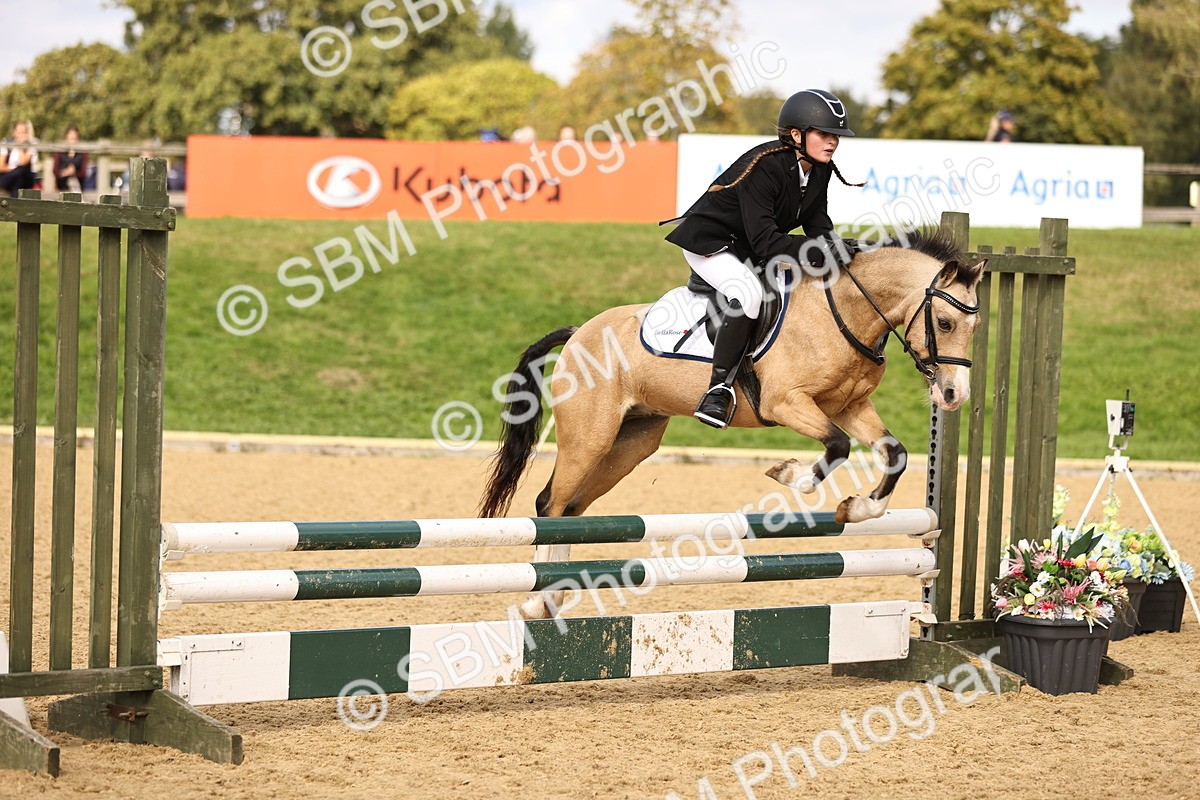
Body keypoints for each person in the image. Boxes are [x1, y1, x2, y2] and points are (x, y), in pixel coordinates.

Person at [663, 89, 863, 429]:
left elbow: (818, 226)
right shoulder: (766, 166)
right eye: (824, 134)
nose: (832, 142)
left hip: (749, 247)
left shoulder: (820, 169)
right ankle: (718, 389)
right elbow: (767, 242)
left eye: (836, 136)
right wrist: (823, 250)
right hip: (711, 242)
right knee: (749, 294)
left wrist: (846, 248)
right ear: (796, 135)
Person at [0, 120, 39, 198]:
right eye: (19, 132)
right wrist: (14, 170)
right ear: (14, 132)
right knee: (17, 178)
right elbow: (1, 166)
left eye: (24, 132)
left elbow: (24, 162)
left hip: (26, 177)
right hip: (11, 177)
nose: (21, 135)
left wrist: (20, 147)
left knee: (21, 170)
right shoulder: (7, 142)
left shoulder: (32, 143)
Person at [52, 125, 87, 192]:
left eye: (74, 138)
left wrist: (74, 172)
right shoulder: (59, 151)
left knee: (73, 182)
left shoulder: (83, 152)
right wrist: (65, 172)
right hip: (62, 185)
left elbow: (83, 172)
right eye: (71, 138)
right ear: (66, 138)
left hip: (78, 186)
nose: (73, 141)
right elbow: (55, 170)